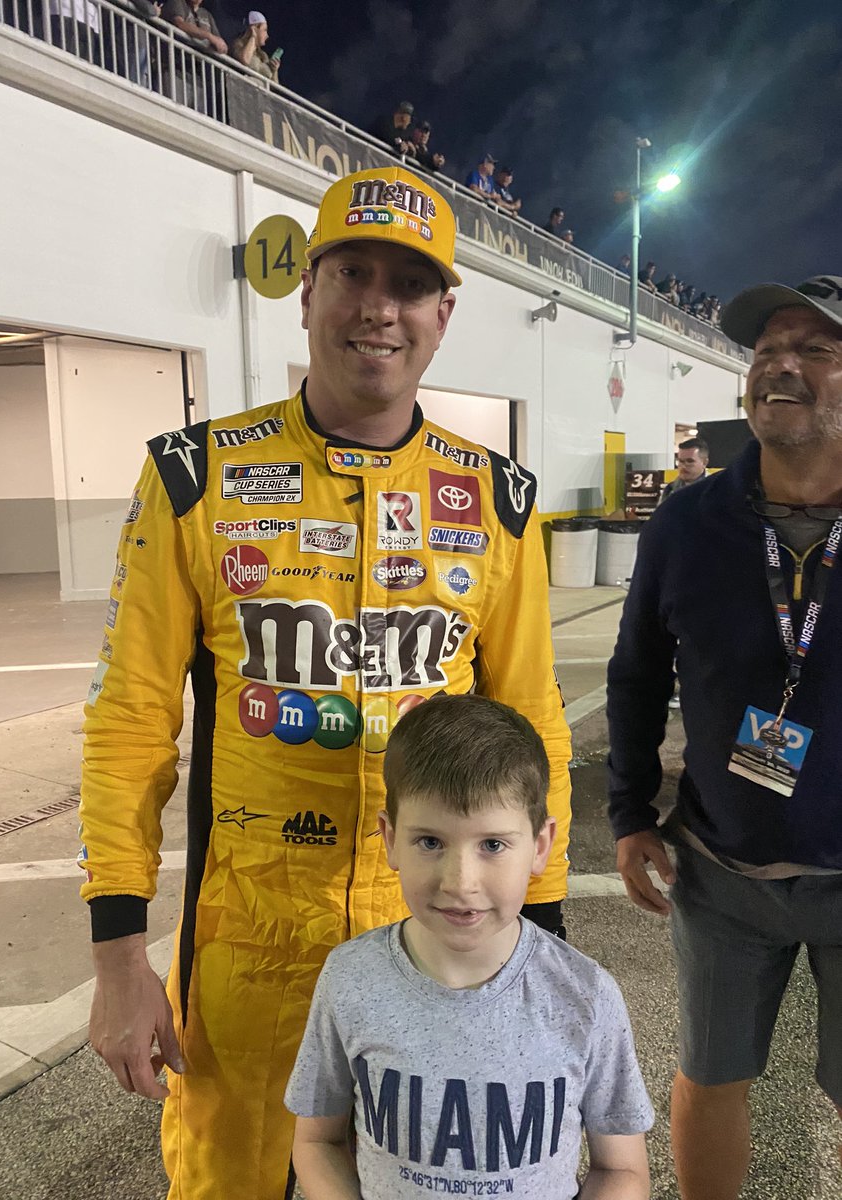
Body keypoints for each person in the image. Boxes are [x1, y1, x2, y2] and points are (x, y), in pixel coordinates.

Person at [80, 164, 573, 1200]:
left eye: (410, 284)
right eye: (354, 273)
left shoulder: (497, 500)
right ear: (307, 292)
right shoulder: (193, 478)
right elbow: (129, 721)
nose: (379, 308)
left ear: (442, 316)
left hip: (439, 928)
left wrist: (546, 936)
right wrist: (120, 957)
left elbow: (531, 724)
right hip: (253, 938)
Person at [607, 274, 842, 1200]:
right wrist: (629, 810)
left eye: (816, 349)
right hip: (721, 869)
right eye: (766, 350)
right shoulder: (689, 522)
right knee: (709, 1078)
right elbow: (636, 671)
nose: (781, 365)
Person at [287, 694, 652, 1200]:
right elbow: (317, 1140)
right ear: (390, 839)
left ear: (540, 846)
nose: (460, 882)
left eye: (492, 845)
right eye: (430, 842)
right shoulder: (349, 980)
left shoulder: (586, 996)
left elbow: (621, 1169)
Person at [162, 0, 226, 55]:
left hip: (201, 60)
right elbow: (180, 24)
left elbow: (221, 44)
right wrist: (208, 36)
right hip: (179, 54)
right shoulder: (178, 2)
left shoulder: (207, 14)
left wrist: (221, 47)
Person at [231, 9, 280, 80]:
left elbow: (273, 85)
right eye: (265, 30)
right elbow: (245, 60)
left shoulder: (263, 55)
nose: (267, 35)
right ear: (255, 28)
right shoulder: (238, 44)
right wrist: (253, 36)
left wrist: (275, 71)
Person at [658, 437, 709, 504]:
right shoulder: (669, 490)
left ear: (704, 463)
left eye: (690, 461)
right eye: (681, 461)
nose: (683, 466)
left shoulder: (715, 490)